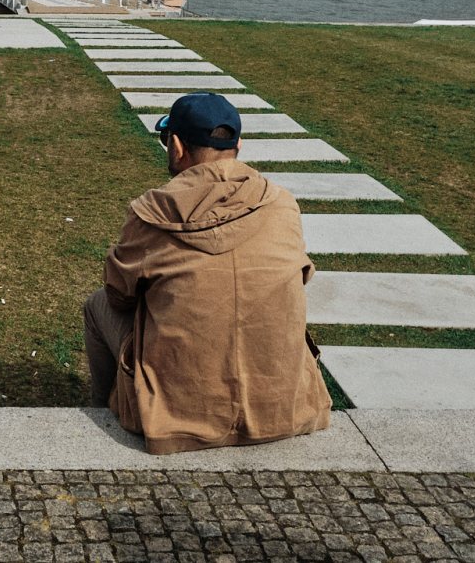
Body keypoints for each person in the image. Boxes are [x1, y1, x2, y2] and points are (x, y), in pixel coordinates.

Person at [82, 92, 330, 454]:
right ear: (239, 144)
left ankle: (107, 410)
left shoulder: (151, 215)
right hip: (284, 408)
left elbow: (119, 294)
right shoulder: (282, 204)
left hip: (176, 418)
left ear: (177, 146)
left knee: (97, 305)